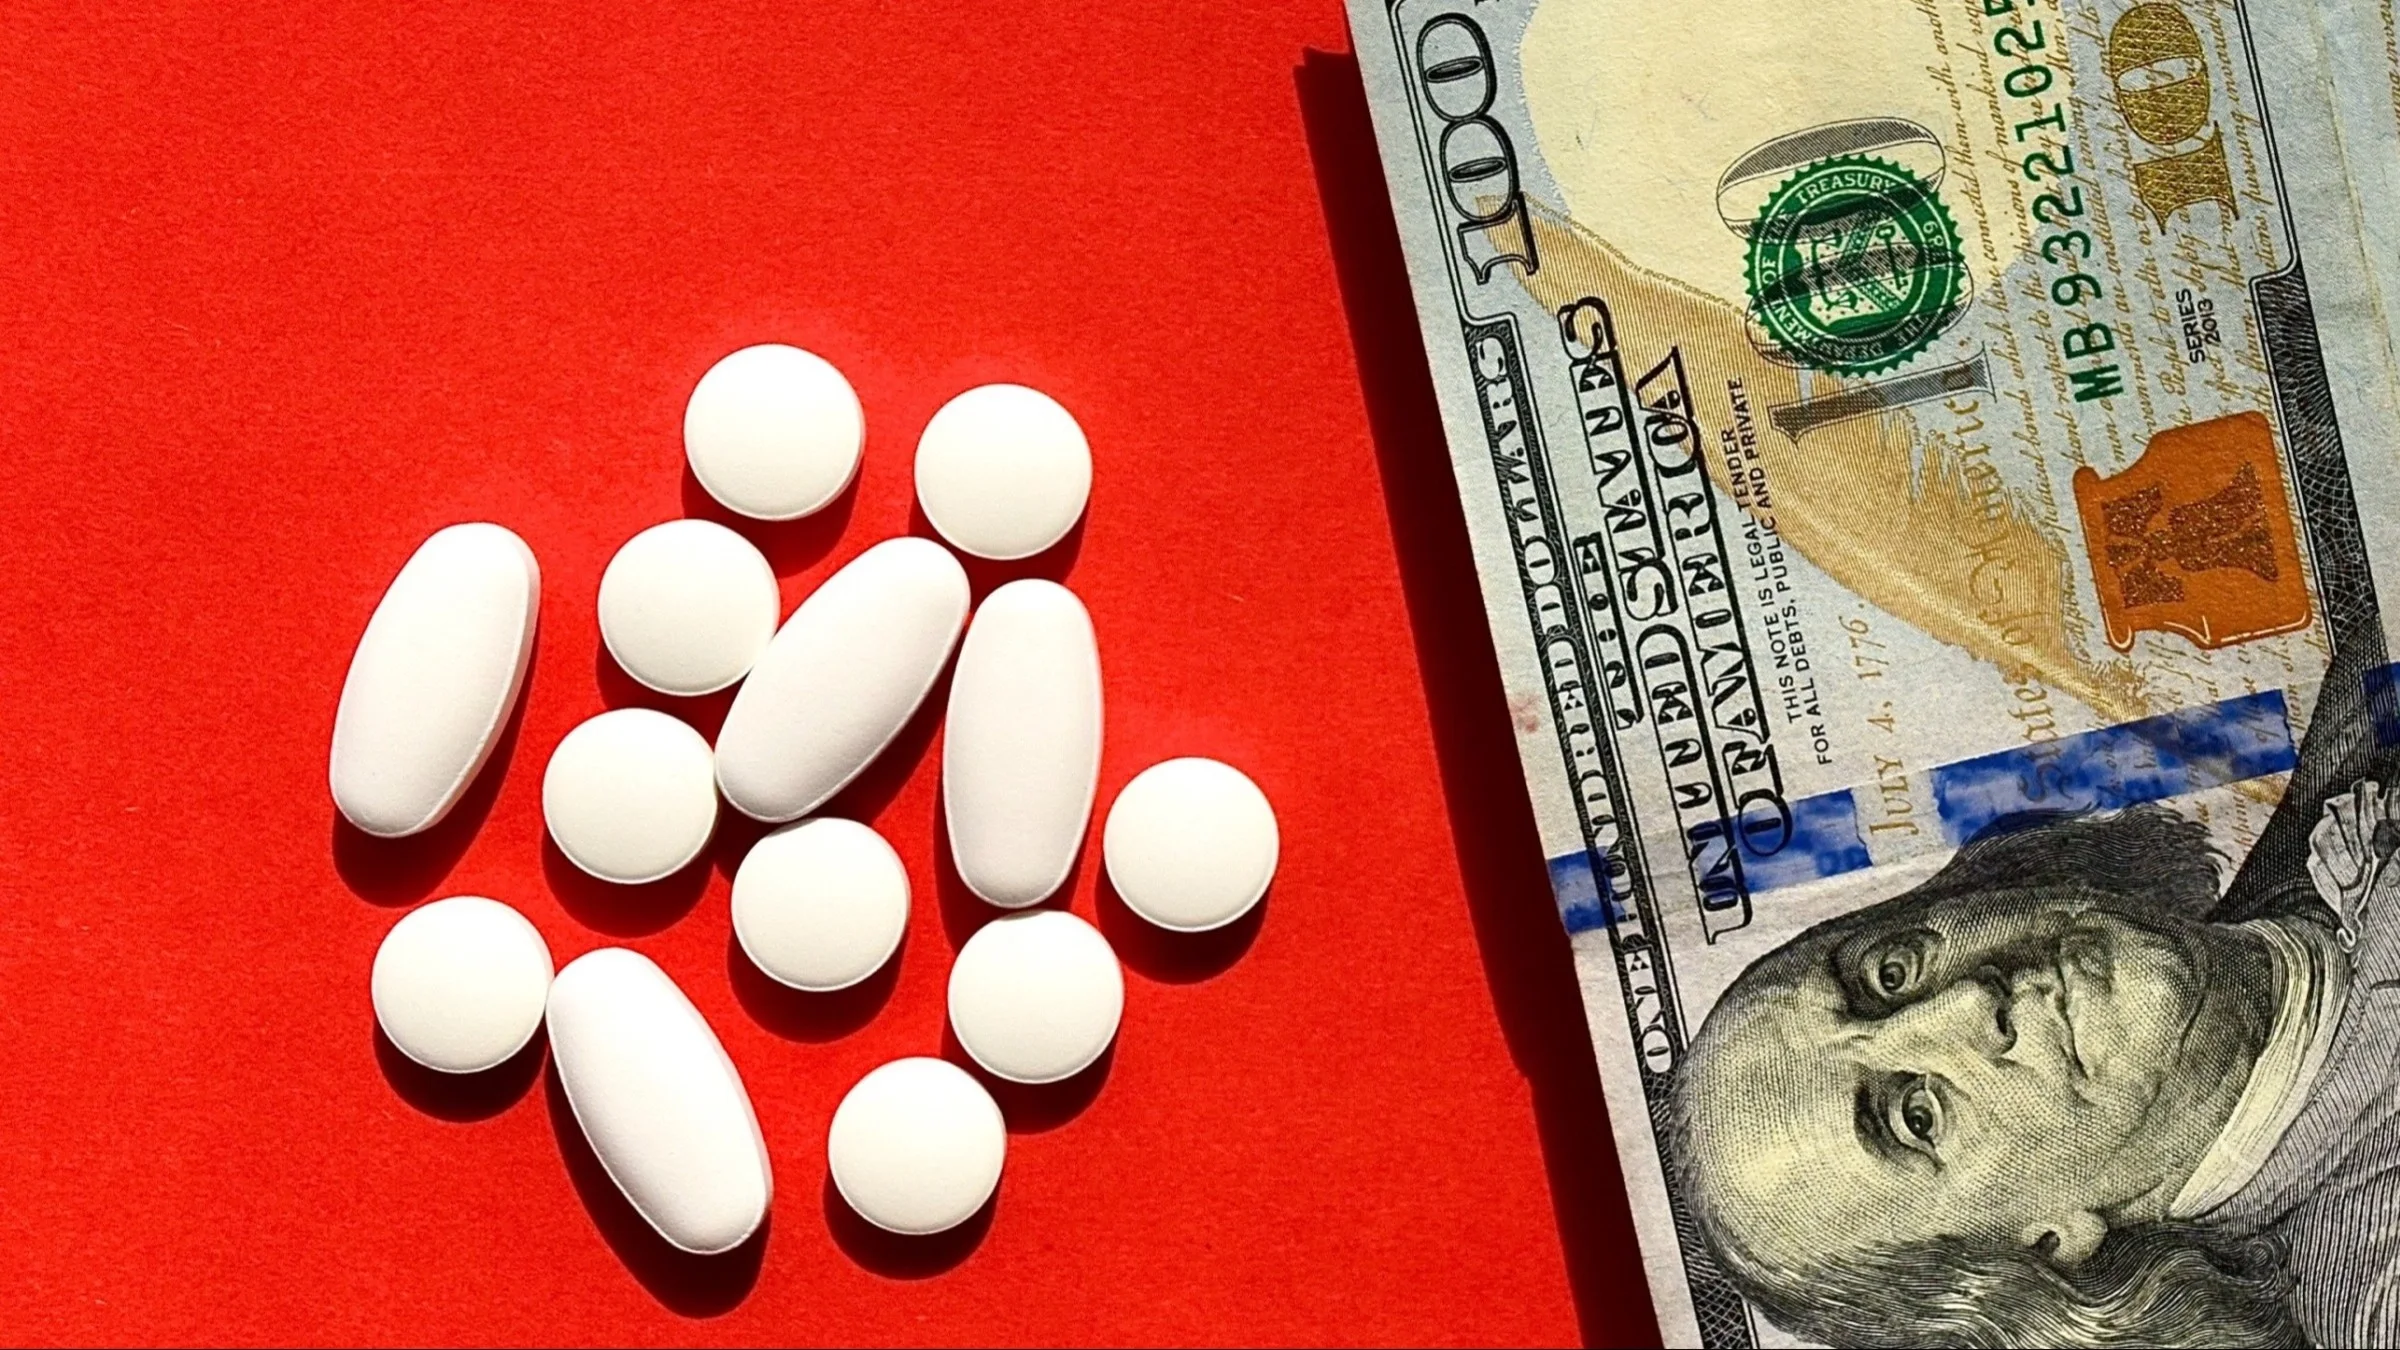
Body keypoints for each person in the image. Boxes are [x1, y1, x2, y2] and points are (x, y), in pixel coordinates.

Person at [1672, 619, 2400, 1347]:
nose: (1966, 1002)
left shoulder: (2354, 716)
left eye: (1888, 974)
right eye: (1917, 1117)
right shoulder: (2376, 1295)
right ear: (2045, 1247)